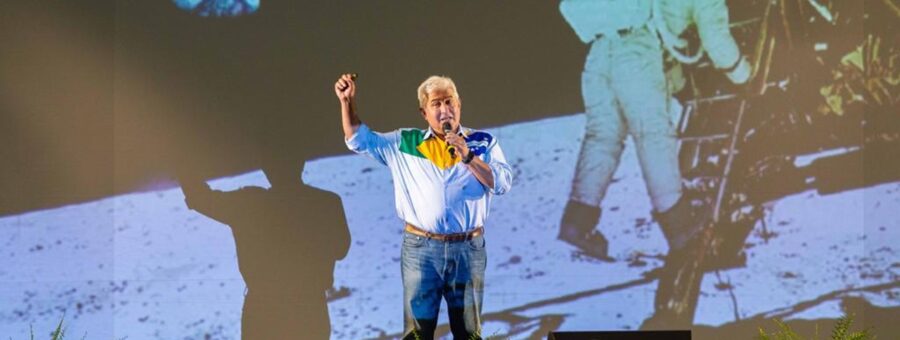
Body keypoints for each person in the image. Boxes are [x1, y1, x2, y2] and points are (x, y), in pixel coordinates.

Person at [335, 73, 512, 339]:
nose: (444, 110)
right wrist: (347, 103)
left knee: (468, 332)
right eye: (436, 104)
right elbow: (359, 139)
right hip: (421, 249)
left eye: (449, 101)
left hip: (467, 248)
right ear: (424, 112)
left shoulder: (483, 142)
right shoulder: (405, 142)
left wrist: (468, 155)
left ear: (459, 104)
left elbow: (501, 183)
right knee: (418, 332)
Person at [557, 0, 706, 263]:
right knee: (653, 134)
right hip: (635, 48)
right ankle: (678, 224)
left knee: (602, 137)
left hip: (598, 53)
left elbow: (568, 8)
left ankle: (577, 222)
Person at [179, 159, 350, 339]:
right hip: (309, 307)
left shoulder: (249, 204)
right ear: (300, 164)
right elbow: (341, 249)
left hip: (263, 310)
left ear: (267, 169)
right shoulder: (326, 202)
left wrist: (180, 161)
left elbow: (199, 198)